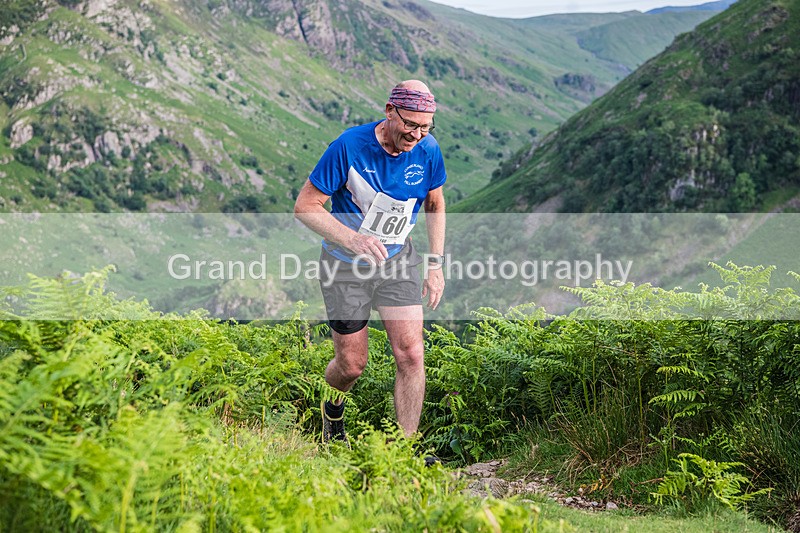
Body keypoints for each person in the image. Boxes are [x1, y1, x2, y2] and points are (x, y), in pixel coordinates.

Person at [293, 79, 446, 443]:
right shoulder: (348, 146)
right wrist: (353, 239)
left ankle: (403, 451)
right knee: (351, 366)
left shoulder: (428, 149)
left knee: (411, 354)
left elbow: (435, 204)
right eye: (410, 124)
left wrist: (435, 264)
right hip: (344, 265)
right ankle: (331, 413)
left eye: (425, 127)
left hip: (397, 261)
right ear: (390, 111)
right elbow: (305, 207)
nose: (417, 134)